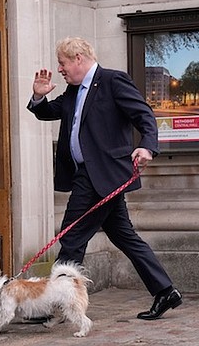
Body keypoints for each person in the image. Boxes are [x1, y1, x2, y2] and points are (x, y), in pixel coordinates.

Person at [27, 36, 182, 320]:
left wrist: (147, 146)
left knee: (72, 238)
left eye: (62, 63)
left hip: (100, 175)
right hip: (91, 176)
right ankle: (165, 291)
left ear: (78, 58)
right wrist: (39, 97)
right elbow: (49, 112)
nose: (59, 69)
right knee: (124, 236)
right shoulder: (74, 91)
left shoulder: (112, 81)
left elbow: (144, 115)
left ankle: (53, 305)